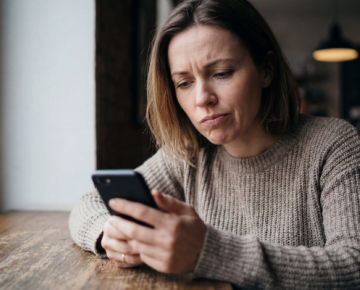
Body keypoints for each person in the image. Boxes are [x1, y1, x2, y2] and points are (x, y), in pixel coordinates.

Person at [69, 0, 360, 288]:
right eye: (184, 83)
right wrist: (109, 235)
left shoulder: (334, 144)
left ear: (266, 70)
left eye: (221, 73)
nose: (201, 99)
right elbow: (89, 204)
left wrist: (208, 252)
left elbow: (353, 266)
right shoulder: (188, 155)